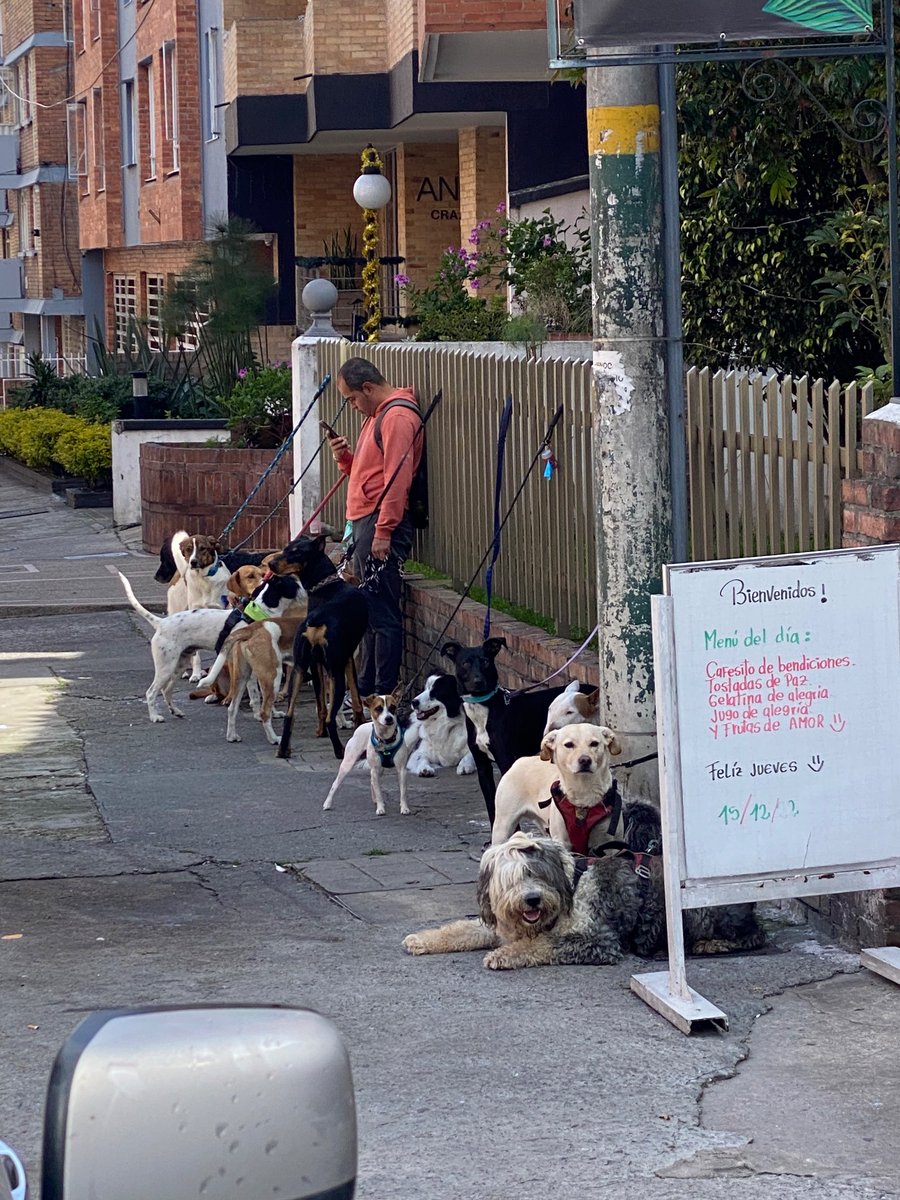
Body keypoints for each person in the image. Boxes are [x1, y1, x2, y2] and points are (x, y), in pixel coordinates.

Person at [326, 357, 423, 697]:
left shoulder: (396, 417)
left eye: (352, 398)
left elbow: (397, 480)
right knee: (368, 610)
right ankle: (367, 688)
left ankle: (383, 693)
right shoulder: (376, 417)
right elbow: (367, 475)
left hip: (378, 524)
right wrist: (344, 458)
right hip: (365, 521)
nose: (351, 406)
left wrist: (384, 531)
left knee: (382, 614)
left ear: (367, 388)